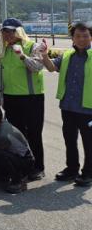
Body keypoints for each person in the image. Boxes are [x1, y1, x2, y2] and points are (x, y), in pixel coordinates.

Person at [42, 21, 92, 186]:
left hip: (88, 108)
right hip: (68, 106)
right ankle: (71, 169)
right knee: (69, 140)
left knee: (89, 142)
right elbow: (51, 68)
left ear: (91, 37)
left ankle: (88, 173)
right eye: (78, 36)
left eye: (85, 36)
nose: (82, 39)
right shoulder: (67, 55)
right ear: (73, 38)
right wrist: (44, 55)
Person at [0, 17, 46, 180]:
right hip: (11, 98)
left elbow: (37, 67)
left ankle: (38, 167)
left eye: (11, 31)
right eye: (4, 31)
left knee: (34, 133)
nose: (7, 34)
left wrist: (23, 56)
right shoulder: (3, 50)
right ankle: (22, 166)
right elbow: (1, 75)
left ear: (19, 31)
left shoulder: (32, 46)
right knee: (17, 135)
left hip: (31, 98)